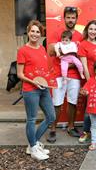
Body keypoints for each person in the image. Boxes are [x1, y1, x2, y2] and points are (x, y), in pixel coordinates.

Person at [17, 20, 55, 160]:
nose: (35, 34)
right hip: (30, 89)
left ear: (41, 34)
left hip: (43, 89)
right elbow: (20, 74)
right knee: (31, 119)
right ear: (28, 32)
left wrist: (48, 81)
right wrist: (34, 82)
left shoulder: (42, 49)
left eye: (37, 32)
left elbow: (43, 71)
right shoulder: (23, 50)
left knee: (51, 116)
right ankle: (33, 148)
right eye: (32, 31)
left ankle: (33, 143)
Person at [47, 6, 83, 143]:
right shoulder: (57, 33)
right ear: (64, 18)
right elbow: (51, 51)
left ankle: (71, 126)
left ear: (76, 19)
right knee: (57, 102)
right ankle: (52, 129)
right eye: (68, 17)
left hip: (74, 74)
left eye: (73, 17)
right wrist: (59, 47)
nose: (70, 20)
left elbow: (81, 55)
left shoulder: (80, 36)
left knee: (73, 101)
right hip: (59, 73)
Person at [77, 20, 96, 143]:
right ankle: (86, 131)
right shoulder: (83, 44)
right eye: (90, 29)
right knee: (90, 106)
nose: (93, 32)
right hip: (91, 80)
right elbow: (84, 65)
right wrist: (90, 83)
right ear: (87, 30)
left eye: (95, 29)